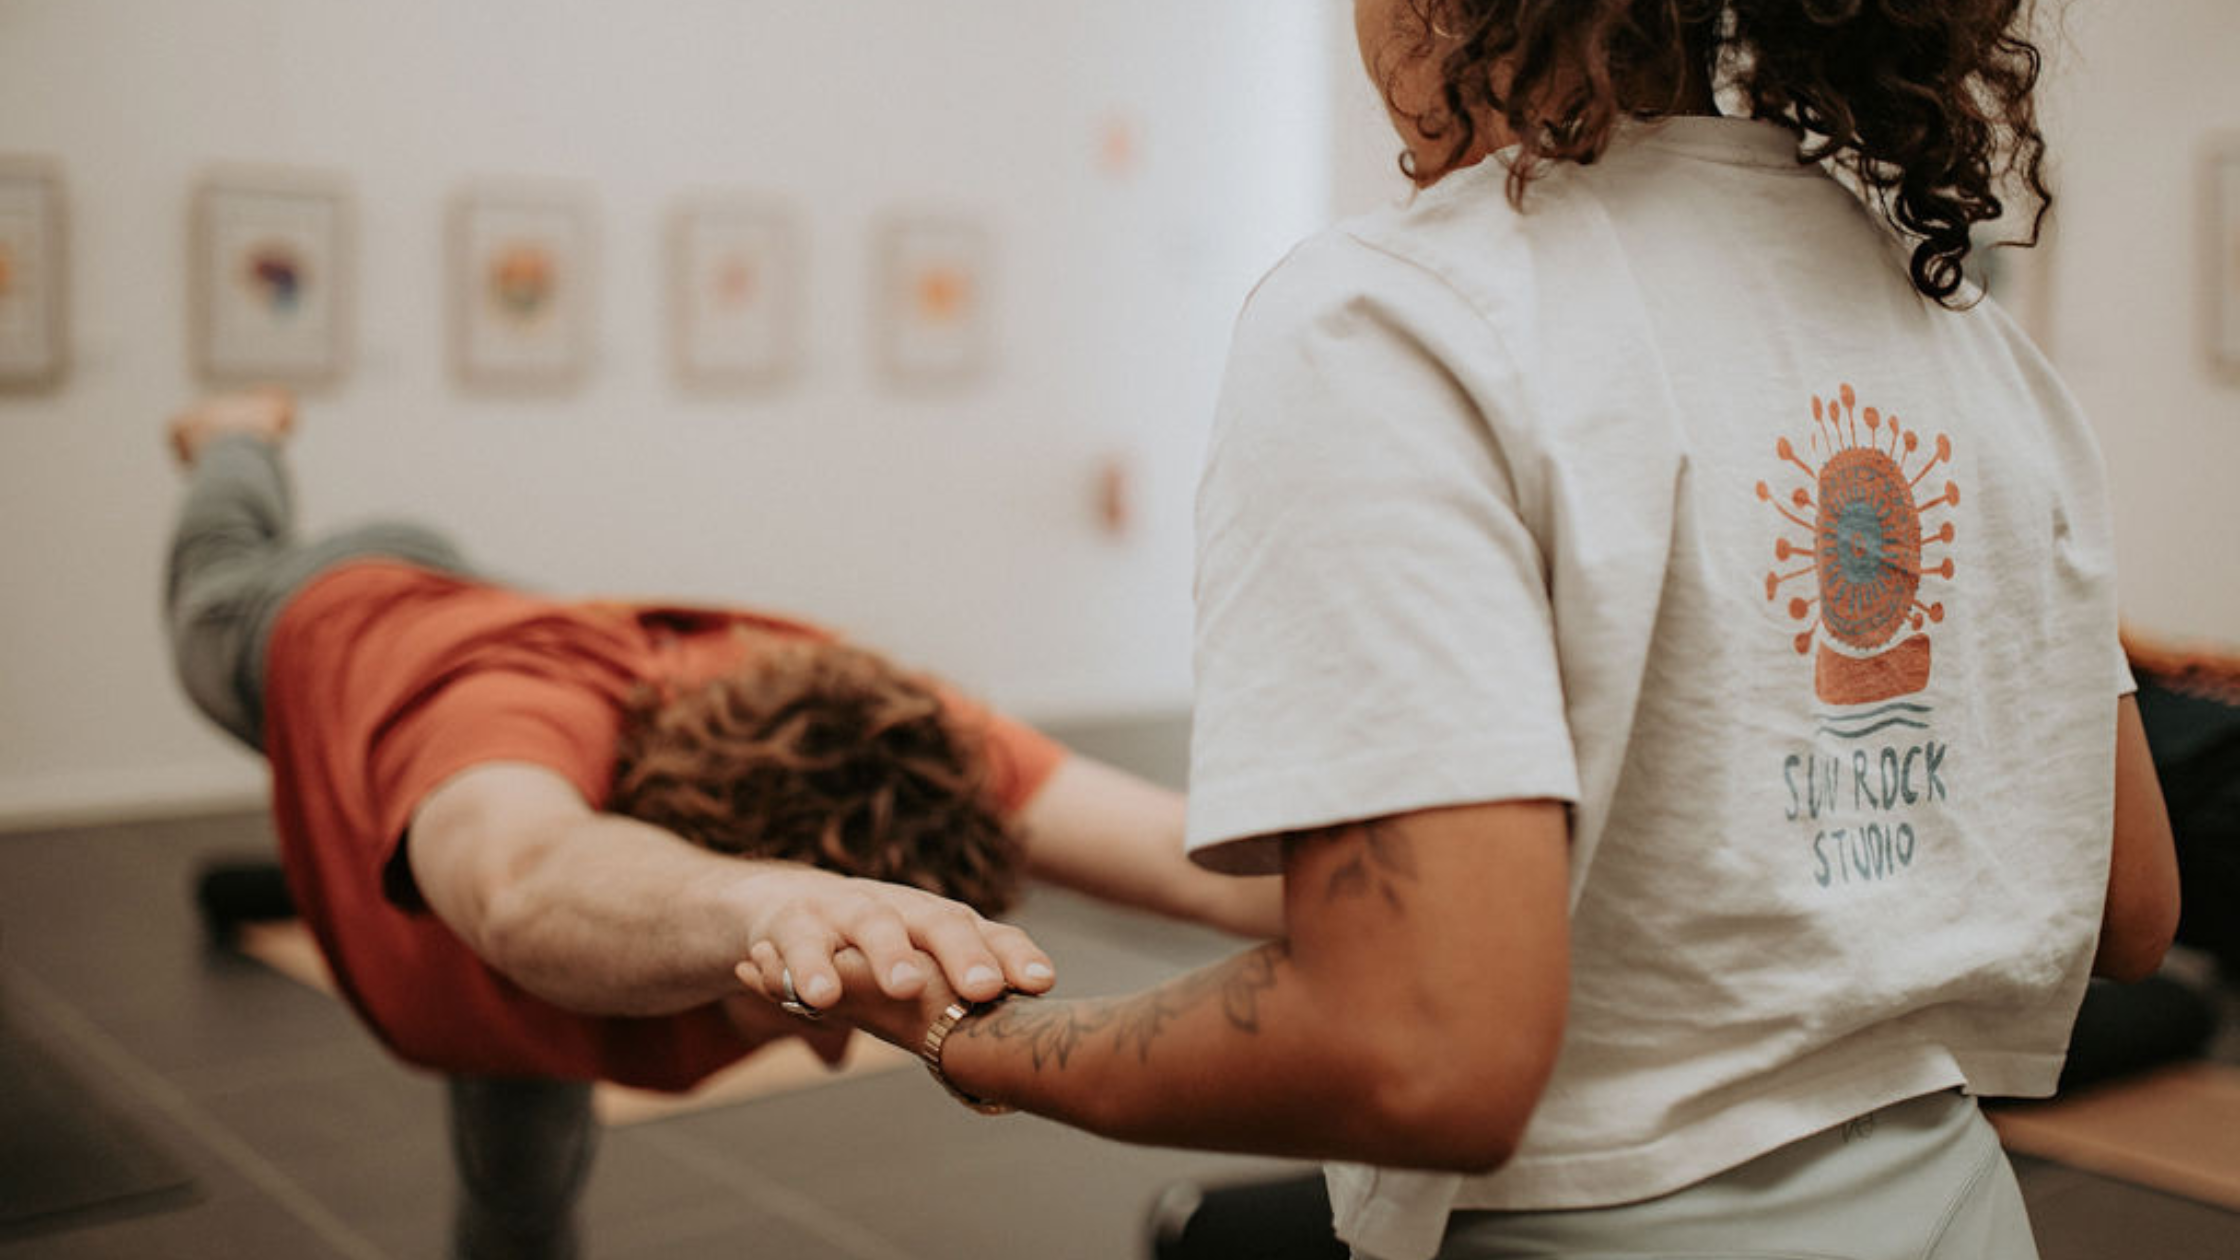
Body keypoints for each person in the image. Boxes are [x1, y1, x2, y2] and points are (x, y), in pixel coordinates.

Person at [782, 3, 2183, 1258]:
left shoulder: (1394, 317)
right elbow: (2129, 907)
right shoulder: (1964, 335)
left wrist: (981, 1040)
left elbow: (1419, 1049)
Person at [159, 387, 1281, 1260]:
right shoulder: (499, 727)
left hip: (491, 636)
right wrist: (770, 905)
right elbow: (525, 879)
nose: (831, 1047)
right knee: (209, 576)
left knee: (522, 1177)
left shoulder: (897, 738)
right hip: (318, 610)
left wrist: (1391, 893)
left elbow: (1193, 860)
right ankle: (233, 439)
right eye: (797, 1001)